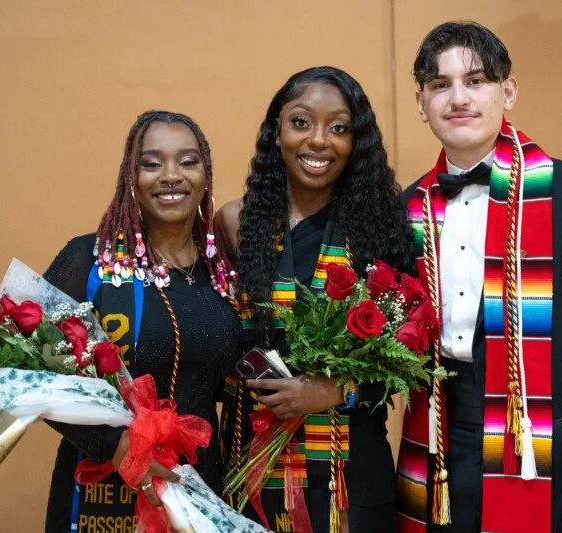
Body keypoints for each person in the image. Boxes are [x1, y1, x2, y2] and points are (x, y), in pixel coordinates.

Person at [396, 21, 562, 533]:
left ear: (507, 91)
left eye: (476, 80)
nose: (458, 98)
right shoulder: (407, 210)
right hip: (437, 452)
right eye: (440, 85)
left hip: (547, 458)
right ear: (421, 104)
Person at [216, 66, 414, 533]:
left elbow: (412, 353)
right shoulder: (235, 224)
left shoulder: (381, 226)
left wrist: (335, 390)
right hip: (253, 466)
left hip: (350, 474)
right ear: (276, 132)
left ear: (357, 142)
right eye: (301, 122)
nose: (319, 141)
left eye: (339, 127)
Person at [43, 111, 240, 532]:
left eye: (188, 161)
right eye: (151, 163)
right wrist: (113, 445)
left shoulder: (224, 269)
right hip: (105, 486)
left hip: (200, 489)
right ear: (130, 177)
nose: (171, 175)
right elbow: (34, 367)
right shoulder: (89, 262)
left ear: (205, 174)